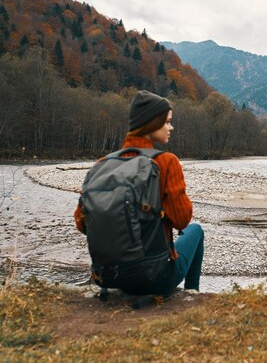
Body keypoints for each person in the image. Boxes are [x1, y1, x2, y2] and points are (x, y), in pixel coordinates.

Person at [74, 90, 204, 294]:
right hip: (155, 278)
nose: (171, 127)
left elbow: (82, 223)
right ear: (151, 122)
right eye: (167, 121)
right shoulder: (166, 162)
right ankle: (191, 294)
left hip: (107, 277)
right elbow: (182, 220)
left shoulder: (102, 164)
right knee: (196, 230)